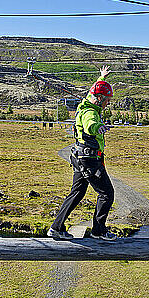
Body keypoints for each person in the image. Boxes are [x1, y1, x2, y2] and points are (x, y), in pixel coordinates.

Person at [47, 65, 116, 241]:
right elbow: (90, 125)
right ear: (99, 98)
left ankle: (56, 228)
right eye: (106, 99)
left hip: (80, 158)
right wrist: (98, 127)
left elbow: (93, 91)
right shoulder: (90, 113)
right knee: (107, 194)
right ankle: (98, 231)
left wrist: (102, 78)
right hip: (90, 161)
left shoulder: (87, 103)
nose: (107, 103)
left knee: (77, 193)